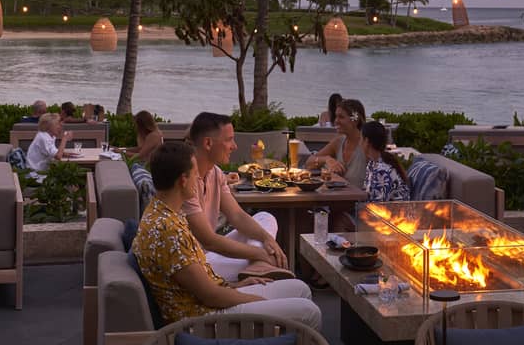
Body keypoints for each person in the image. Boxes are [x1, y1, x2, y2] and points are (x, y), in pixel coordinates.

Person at [132, 140, 321, 328]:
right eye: (194, 173)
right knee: (309, 311)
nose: (197, 178)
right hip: (205, 319)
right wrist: (255, 300)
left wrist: (236, 286)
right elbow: (210, 296)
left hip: (209, 302)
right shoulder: (167, 231)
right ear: (183, 180)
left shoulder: (162, 212)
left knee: (300, 289)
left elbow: (202, 284)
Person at [185, 112, 290, 281]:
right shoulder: (185, 179)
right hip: (195, 264)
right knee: (266, 259)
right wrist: (260, 253)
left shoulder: (215, 173)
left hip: (211, 253)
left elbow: (237, 216)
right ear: (208, 143)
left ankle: (258, 266)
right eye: (229, 140)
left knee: (265, 217)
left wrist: (267, 239)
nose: (234, 146)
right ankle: (260, 264)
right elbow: (208, 240)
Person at [303, 98, 368, 185]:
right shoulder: (339, 142)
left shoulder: (367, 144)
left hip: (361, 197)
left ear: (355, 120)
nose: (336, 121)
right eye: (336, 116)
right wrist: (327, 159)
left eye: (341, 117)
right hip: (338, 196)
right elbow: (308, 163)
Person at [361, 121, 409, 202]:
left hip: (395, 212)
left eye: (361, 139)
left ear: (366, 141)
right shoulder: (372, 163)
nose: (360, 143)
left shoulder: (382, 170)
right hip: (384, 211)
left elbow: (377, 204)